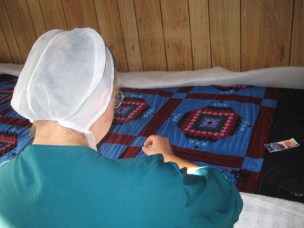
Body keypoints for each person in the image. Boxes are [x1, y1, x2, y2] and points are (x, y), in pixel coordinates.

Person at [0, 28, 242, 227]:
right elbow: (225, 198)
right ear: (102, 99)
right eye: (116, 97)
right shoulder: (152, 185)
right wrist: (168, 158)